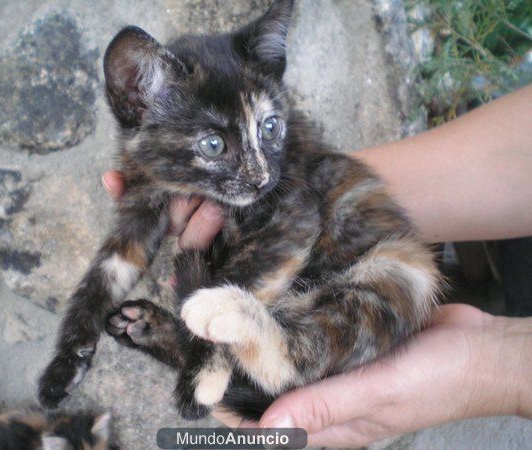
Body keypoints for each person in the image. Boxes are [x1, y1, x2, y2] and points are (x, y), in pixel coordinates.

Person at [101, 84, 532, 447]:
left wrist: (491, 363)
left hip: (306, 330)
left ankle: (256, 349)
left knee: (409, 278)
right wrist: (321, 188)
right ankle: (220, 348)